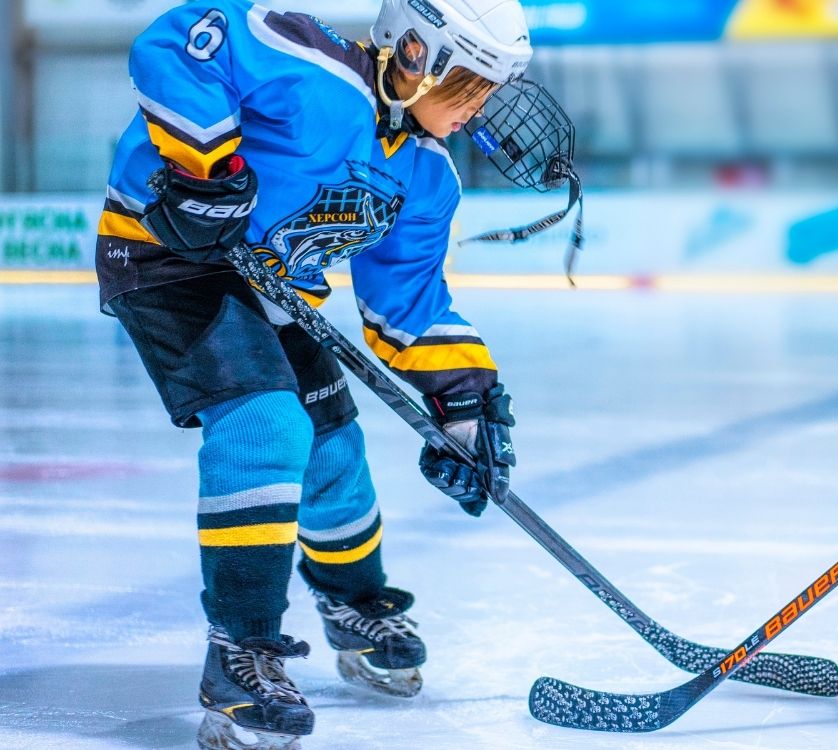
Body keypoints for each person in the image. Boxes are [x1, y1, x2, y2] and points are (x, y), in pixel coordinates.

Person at [94, 0, 551, 747]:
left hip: (272, 288)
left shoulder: (427, 177)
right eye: (472, 85)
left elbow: (409, 302)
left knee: (335, 447)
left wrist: (464, 403)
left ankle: (355, 604)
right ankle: (239, 650)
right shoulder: (314, 73)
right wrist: (203, 166)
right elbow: (182, 39)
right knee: (266, 424)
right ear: (415, 54)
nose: (482, 109)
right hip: (167, 259)